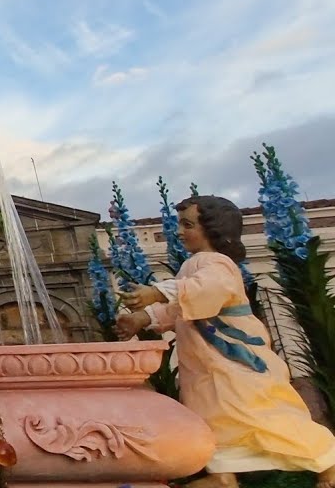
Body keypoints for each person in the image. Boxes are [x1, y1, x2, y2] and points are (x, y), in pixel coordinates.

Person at [118, 195, 335, 488]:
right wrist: (142, 318)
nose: (179, 232)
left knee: (259, 414)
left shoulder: (218, 263)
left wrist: (156, 292)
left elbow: (206, 290)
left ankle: (328, 460)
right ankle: (223, 474)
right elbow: (181, 306)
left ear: (213, 228)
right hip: (207, 368)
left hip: (234, 364)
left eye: (187, 224)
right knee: (214, 418)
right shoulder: (192, 265)